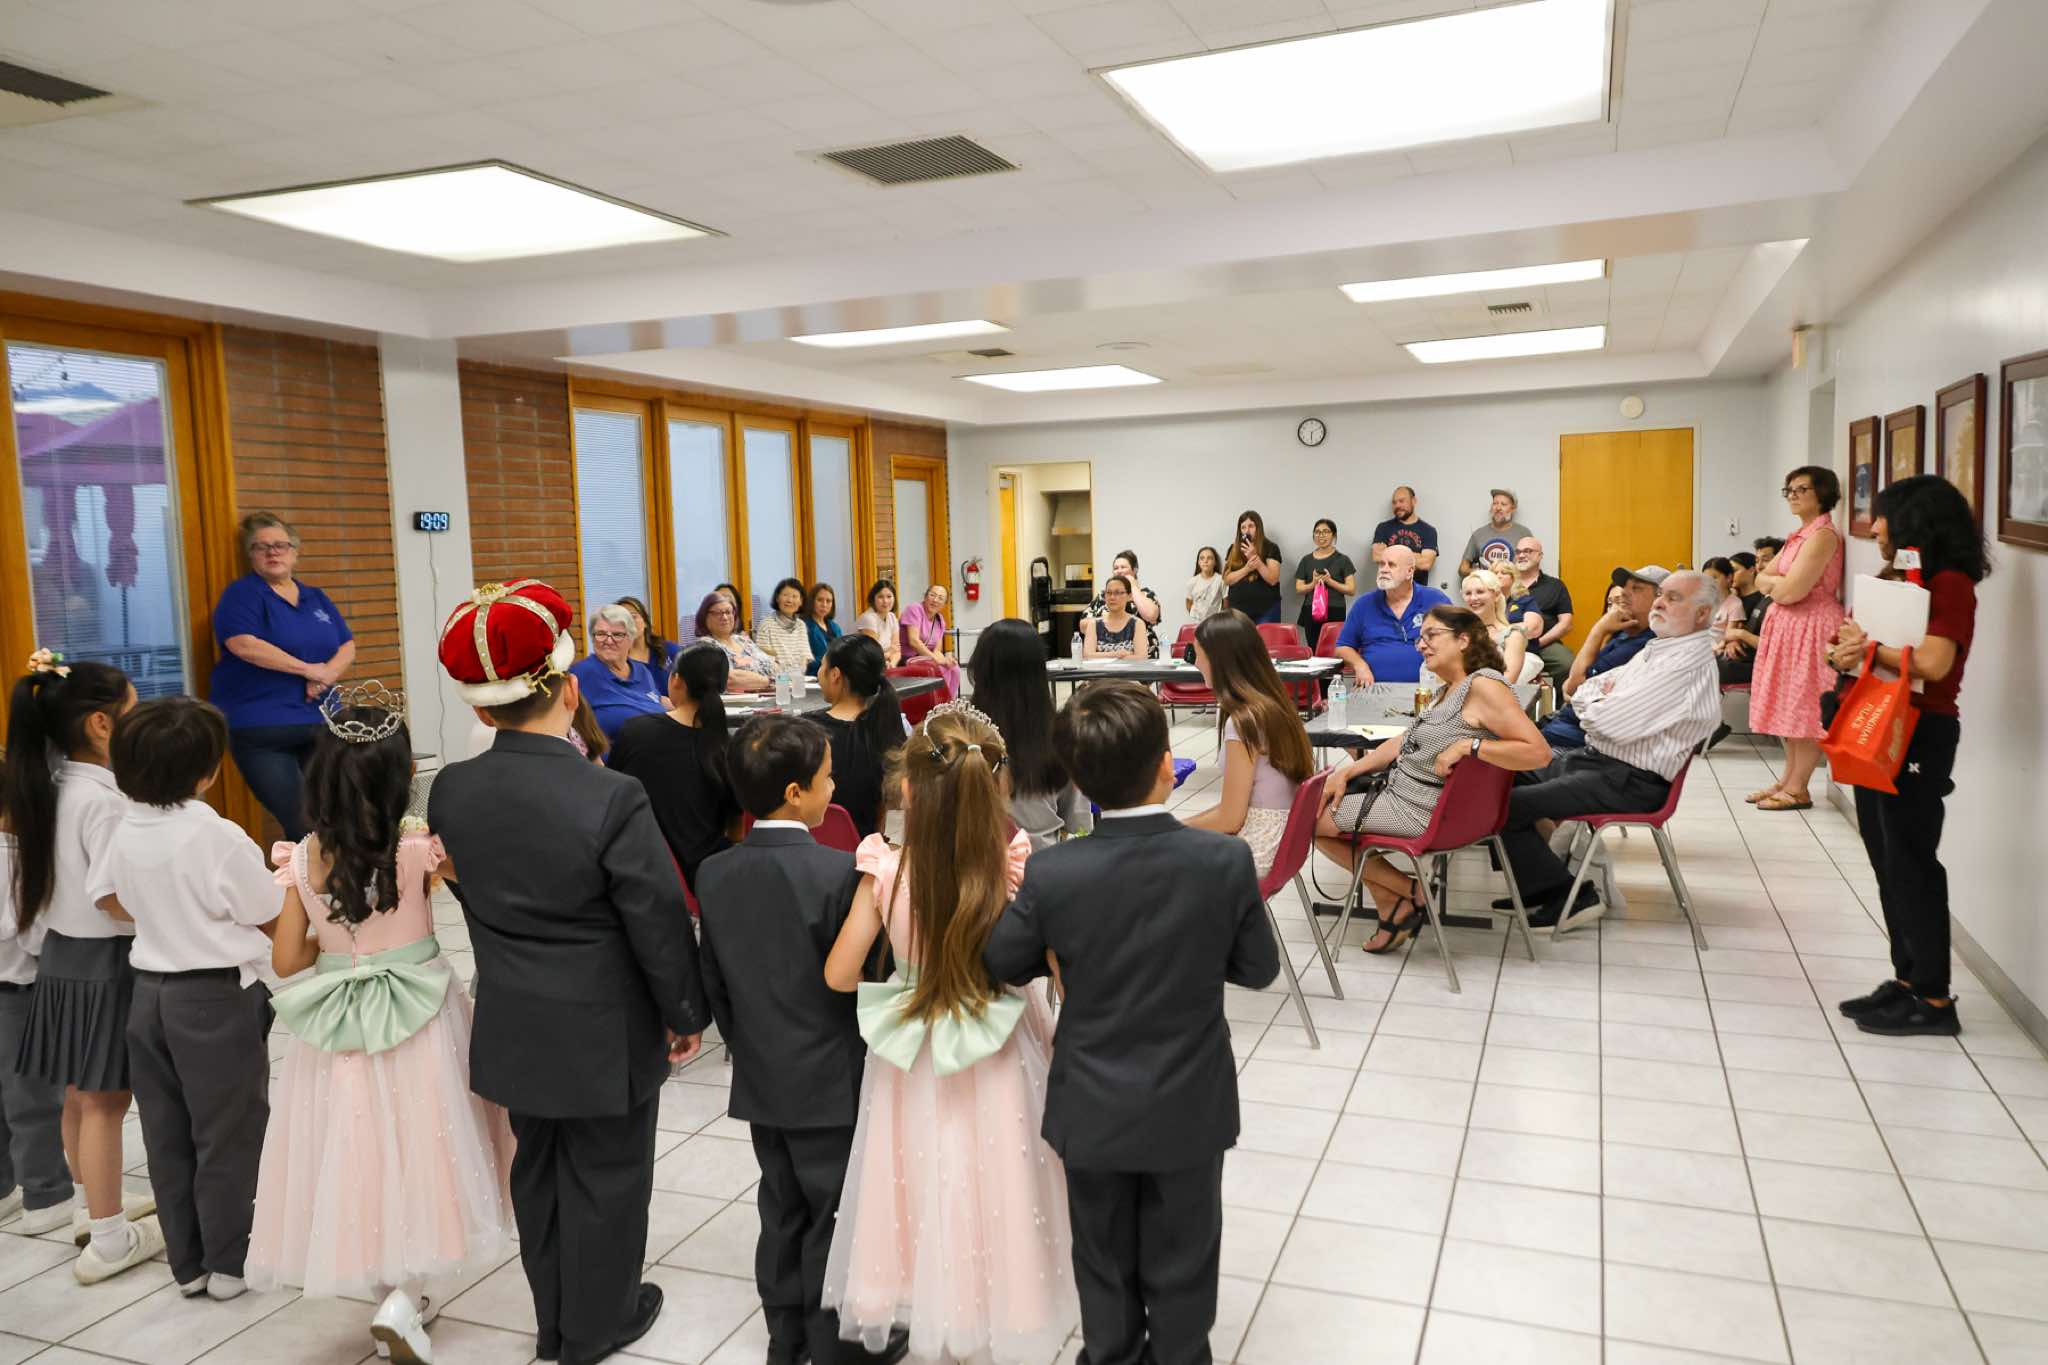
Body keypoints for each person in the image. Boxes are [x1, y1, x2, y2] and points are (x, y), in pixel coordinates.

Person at [429, 579, 708, 1365]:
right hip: (603, 1022)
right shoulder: (612, 794)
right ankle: (596, 1325)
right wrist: (684, 1009)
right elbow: (656, 920)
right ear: (571, 688)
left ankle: (554, 1320)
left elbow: (470, 884)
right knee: (609, 1174)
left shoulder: (451, 788)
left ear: (484, 712)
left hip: (512, 1014)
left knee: (540, 1171)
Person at [984, 682, 1279, 1365]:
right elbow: (1258, 968)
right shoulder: (1222, 860)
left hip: (1091, 1100)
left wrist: (1056, 952)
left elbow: (1000, 958)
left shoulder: (1055, 871)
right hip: (1190, 1097)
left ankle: (1111, 1352)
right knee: (1185, 1252)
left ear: (1078, 779)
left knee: (1102, 1254)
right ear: (1167, 764)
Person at [248, 684, 515, 1361]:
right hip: (420, 1011)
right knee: (426, 1141)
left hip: (338, 1018)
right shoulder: (418, 847)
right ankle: (405, 1298)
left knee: (357, 1146)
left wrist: (340, 945)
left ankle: (388, 1291)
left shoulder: (302, 855)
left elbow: (286, 959)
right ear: (401, 774)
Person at [821, 701, 1076, 1362]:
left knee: (919, 1179)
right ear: (997, 787)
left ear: (907, 790)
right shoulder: (1012, 864)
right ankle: (999, 1311)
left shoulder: (885, 868)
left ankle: (933, 1310)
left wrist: (908, 972)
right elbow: (1050, 966)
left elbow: (841, 974)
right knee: (1001, 1183)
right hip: (1001, 1046)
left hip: (912, 1054)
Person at [693, 717, 908, 1365]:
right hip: (832, 1074)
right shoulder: (842, 873)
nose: (834, 787)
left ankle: (784, 1336)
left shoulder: (713, 872)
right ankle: (832, 1341)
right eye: (827, 778)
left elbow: (717, 981)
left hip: (762, 1071)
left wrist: (749, 1044)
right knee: (834, 1210)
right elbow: (869, 980)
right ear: (795, 792)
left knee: (781, 1205)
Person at [97, 696, 280, 1302]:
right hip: (213, 997)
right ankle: (232, 1262)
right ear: (206, 771)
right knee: (228, 1132)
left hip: (148, 994)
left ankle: (189, 1263)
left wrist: (166, 913)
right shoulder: (215, 834)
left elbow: (111, 899)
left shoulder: (124, 826)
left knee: (165, 1132)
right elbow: (266, 911)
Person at [5, 655, 160, 1282]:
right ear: (101, 724)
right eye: (133, 711)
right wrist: (172, 909)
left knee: (76, 1096)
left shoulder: (51, 785)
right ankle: (109, 1237)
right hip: (102, 959)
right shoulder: (102, 801)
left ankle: (88, 1206)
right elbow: (112, 897)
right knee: (104, 1101)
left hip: (62, 956)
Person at [1829, 475, 1987, 1038]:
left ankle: (1935, 999)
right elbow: (1870, 648)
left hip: (1921, 732)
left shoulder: (1951, 584)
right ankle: (1907, 978)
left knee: (1912, 861)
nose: (1875, 527)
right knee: (1885, 857)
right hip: (1880, 723)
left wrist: (1868, 649)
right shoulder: (1900, 579)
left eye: (1884, 516)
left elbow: (1936, 662)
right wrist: (1848, 649)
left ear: (1914, 522)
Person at [1494, 571, 1723, 930]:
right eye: (1661, 594)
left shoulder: (1684, 663)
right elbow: (1584, 690)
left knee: (1507, 805)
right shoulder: (1661, 648)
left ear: (1703, 613)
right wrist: (1601, 703)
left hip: (1629, 780)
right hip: (1598, 762)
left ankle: (1568, 895)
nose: (1660, 603)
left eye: (1673, 598)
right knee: (1501, 777)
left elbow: (1611, 721)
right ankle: (1539, 887)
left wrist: (1599, 706)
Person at [1314, 607, 1551, 951]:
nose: (1421, 645)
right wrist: (1348, 771)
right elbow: (1403, 740)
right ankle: (1393, 902)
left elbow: (1538, 752)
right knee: (1322, 803)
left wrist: (1468, 746)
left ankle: (1410, 891)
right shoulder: (1451, 688)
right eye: (1420, 637)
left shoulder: (1484, 686)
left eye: (1432, 635)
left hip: (1423, 811)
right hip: (1411, 799)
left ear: (1464, 640)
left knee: (1309, 820)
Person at [210, 512, 356, 840]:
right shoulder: (242, 595)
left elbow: (347, 645)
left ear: (294, 552)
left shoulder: (315, 597)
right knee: (304, 822)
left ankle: (336, 875)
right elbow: (243, 644)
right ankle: (307, 874)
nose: (272, 552)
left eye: (280, 545)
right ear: (250, 556)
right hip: (263, 730)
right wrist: (309, 669)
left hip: (323, 723)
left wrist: (326, 675)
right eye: (261, 547)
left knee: (337, 815)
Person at [1179, 613, 1314, 877]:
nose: (1195, 662)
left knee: (1153, 861)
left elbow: (1230, 818)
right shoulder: (1272, 705)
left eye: (1197, 653)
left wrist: (1169, 830)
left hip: (1258, 846)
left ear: (1217, 658)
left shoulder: (1243, 722)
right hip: (1281, 841)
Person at [0, 751, 71, 1247]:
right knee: (32, 1098)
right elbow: (29, 934)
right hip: (17, 994)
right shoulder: (16, 856)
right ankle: (45, 1195)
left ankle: (4, 1185)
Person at [1749, 465, 1845, 812]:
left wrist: (1777, 585)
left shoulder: (1823, 536)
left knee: (1805, 706)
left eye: (1801, 489)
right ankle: (1787, 779)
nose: (1792, 495)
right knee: (1787, 705)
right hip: (1790, 627)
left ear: (1823, 493)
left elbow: (1791, 591)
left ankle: (1799, 788)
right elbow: (1761, 577)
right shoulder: (1800, 535)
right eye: (1789, 489)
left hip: (1812, 627)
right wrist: (1777, 584)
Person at [608, 643, 741, 890]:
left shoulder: (636, 732)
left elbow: (612, 800)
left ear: (676, 680)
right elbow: (735, 829)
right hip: (710, 879)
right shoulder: (728, 747)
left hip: (643, 873)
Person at [968, 619, 1090, 849]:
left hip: (975, 860)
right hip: (1044, 859)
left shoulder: (960, 732)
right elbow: (1078, 823)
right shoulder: (1062, 735)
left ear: (980, 669)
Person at [1541, 567, 1662, 750]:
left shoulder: (1645, 645)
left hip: (1580, 742)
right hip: (1565, 725)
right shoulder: (1624, 635)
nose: (1625, 593)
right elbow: (1571, 684)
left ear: (1660, 601)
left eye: (1636, 588)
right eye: (1626, 588)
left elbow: (1573, 687)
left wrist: (1599, 630)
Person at [808, 635, 904, 840]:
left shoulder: (807, 732)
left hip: (812, 848)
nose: (819, 673)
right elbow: (897, 813)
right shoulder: (889, 729)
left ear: (835, 674)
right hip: (871, 852)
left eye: (822, 665)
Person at [1333, 546, 1452, 686]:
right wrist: (1360, 665)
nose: (1383, 569)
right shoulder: (1364, 604)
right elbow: (1342, 647)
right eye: (1381, 564)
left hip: (1427, 688)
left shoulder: (1435, 600)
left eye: (1391, 565)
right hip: (1375, 687)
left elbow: (1457, 641)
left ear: (1409, 572)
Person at [568, 605, 669, 744]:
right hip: (615, 756)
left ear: (631, 639)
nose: (609, 641)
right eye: (601, 634)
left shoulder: (642, 671)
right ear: (593, 638)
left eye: (617, 635)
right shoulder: (580, 675)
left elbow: (655, 701)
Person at [1507, 537, 1576, 689]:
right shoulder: (1505, 583)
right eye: (1518, 552)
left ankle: (1558, 703)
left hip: (1544, 644)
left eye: (1528, 551)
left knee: (1567, 664)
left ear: (1540, 556)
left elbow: (1565, 623)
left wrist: (1538, 643)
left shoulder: (1555, 585)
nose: (1521, 555)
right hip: (1507, 643)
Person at [1461, 570, 1533, 684]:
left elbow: (1507, 681)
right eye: (1468, 593)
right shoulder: (1457, 633)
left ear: (1496, 595)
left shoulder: (1512, 636)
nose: (1473, 598)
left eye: (1480, 592)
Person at [697, 590, 777, 692]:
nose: (724, 617)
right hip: (738, 701)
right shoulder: (704, 646)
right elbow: (729, 679)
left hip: (771, 696)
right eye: (717, 613)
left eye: (728, 612)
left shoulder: (742, 640)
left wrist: (781, 679)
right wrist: (769, 682)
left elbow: (774, 666)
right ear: (704, 617)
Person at [1087, 551, 1163, 659]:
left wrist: (1133, 586)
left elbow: (1151, 615)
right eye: (1116, 568)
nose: (1119, 571)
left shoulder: (1145, 594)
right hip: (1104, 652)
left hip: (1142, 655)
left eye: (1123, 567)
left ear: (1134, 570)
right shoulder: (1102, 596)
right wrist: (1112, 621)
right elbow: (1084, 623)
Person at [1293, 518, 1357, 640]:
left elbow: (1351, 589)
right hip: (1311, 609)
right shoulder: (1306, 560)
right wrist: (1313, 583)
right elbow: (1299, 588)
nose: (1321, 535)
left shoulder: (1343, 560)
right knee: (1313, 647)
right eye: (1317, 532)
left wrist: (1330, 581)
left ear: (1334, 535)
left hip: (1335, 609)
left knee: (1334, 647)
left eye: (1326, 531)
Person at [1223, 510, 1285, 624]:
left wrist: (1255, 559)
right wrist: (1246, 569)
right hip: (1238, 612)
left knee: (1266, 637)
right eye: (1243, 527)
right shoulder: (1234, 548)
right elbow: (1227, 579)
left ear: (1258, 528)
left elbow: (1273, 579)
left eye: (1251, 526)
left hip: (1267, 611)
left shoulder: (1271, 547)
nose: (1247, 530)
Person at [1457, 489, 1535, 579]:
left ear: (1513, 509)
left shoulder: (1524, 533)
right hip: (1486, 586)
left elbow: (1533, 568)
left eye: (1503, 504)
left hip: (1515, 587)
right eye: (1495, 503)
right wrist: (1479, 572)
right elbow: (1462, 569)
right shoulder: (1478, 534)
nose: (1498, 508)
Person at [899, 584, 962, 696]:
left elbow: (937, 650)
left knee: (954, 668)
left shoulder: (940, 620)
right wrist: (937, 660)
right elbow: (914, 642)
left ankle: (949, 701)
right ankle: (938, 703)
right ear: (925, 596)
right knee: (941, 669)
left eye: (940, 598)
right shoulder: (914, 609)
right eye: (932, 595)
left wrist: (946, 660)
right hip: (908, 659)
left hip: (927, 659)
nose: (935, 600)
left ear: (944, 604)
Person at [1718, 553, 1770, 686]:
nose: (1731, 576)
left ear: (1752, 570)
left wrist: (1736, 637)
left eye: (1734, 570)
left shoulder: (1762, 600)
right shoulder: (1732, 598)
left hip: (1750, 656)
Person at [613, 595, 679, 693]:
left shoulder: (669, 649)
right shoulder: (618, 663)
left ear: (645, 622)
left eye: (633, 616)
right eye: (622, 620)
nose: (629, 623)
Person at [1080, 575, 1152, 660]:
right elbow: (1088, 656)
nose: (1112, 597)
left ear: (1129, 596)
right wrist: (1118, 654)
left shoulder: (1137, 624)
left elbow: (1141, 657)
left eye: (1117, 593)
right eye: (1108, 593)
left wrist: (1100, 655)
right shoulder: (1094, 624)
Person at [757, 578, 815, 680]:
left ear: (801, 601)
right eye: (785, 595)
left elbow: (804, 658)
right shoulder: (766, 625)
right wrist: (784, 678)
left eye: (794, 596)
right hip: (775, 681)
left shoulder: (801, 625)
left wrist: (797, 676)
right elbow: (764, 659)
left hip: (797, 680)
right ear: (777, 598)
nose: (789, 600)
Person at [853, 581, 903, 668]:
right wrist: (889, 653)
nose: (885, 601)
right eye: (880, 597)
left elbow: (897, 651)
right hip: (863, 666)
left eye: (889, 596)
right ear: (873, 599)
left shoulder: (892, 617)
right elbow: (873, 655)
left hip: (885, 665)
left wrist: (891, 665)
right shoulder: (869, 618)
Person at [804, 583, 843, 676]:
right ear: (812, 601)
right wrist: (829, 660)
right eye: (820, 600)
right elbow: (804, 661)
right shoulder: (804, 626)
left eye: (828, 601)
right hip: (813, 676)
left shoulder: (835, 627)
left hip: (835, 675)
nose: (824, 605)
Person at [1185, 547, 1227, 621]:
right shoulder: (1192, 581)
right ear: (1198, 562)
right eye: (1202, 558)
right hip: (1197, 622)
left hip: (1215, 622)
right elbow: (1188, 602)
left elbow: (1225, 602)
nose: (1205, 561)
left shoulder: (1221, 580)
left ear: (1215, 562)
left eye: (1209, 558)